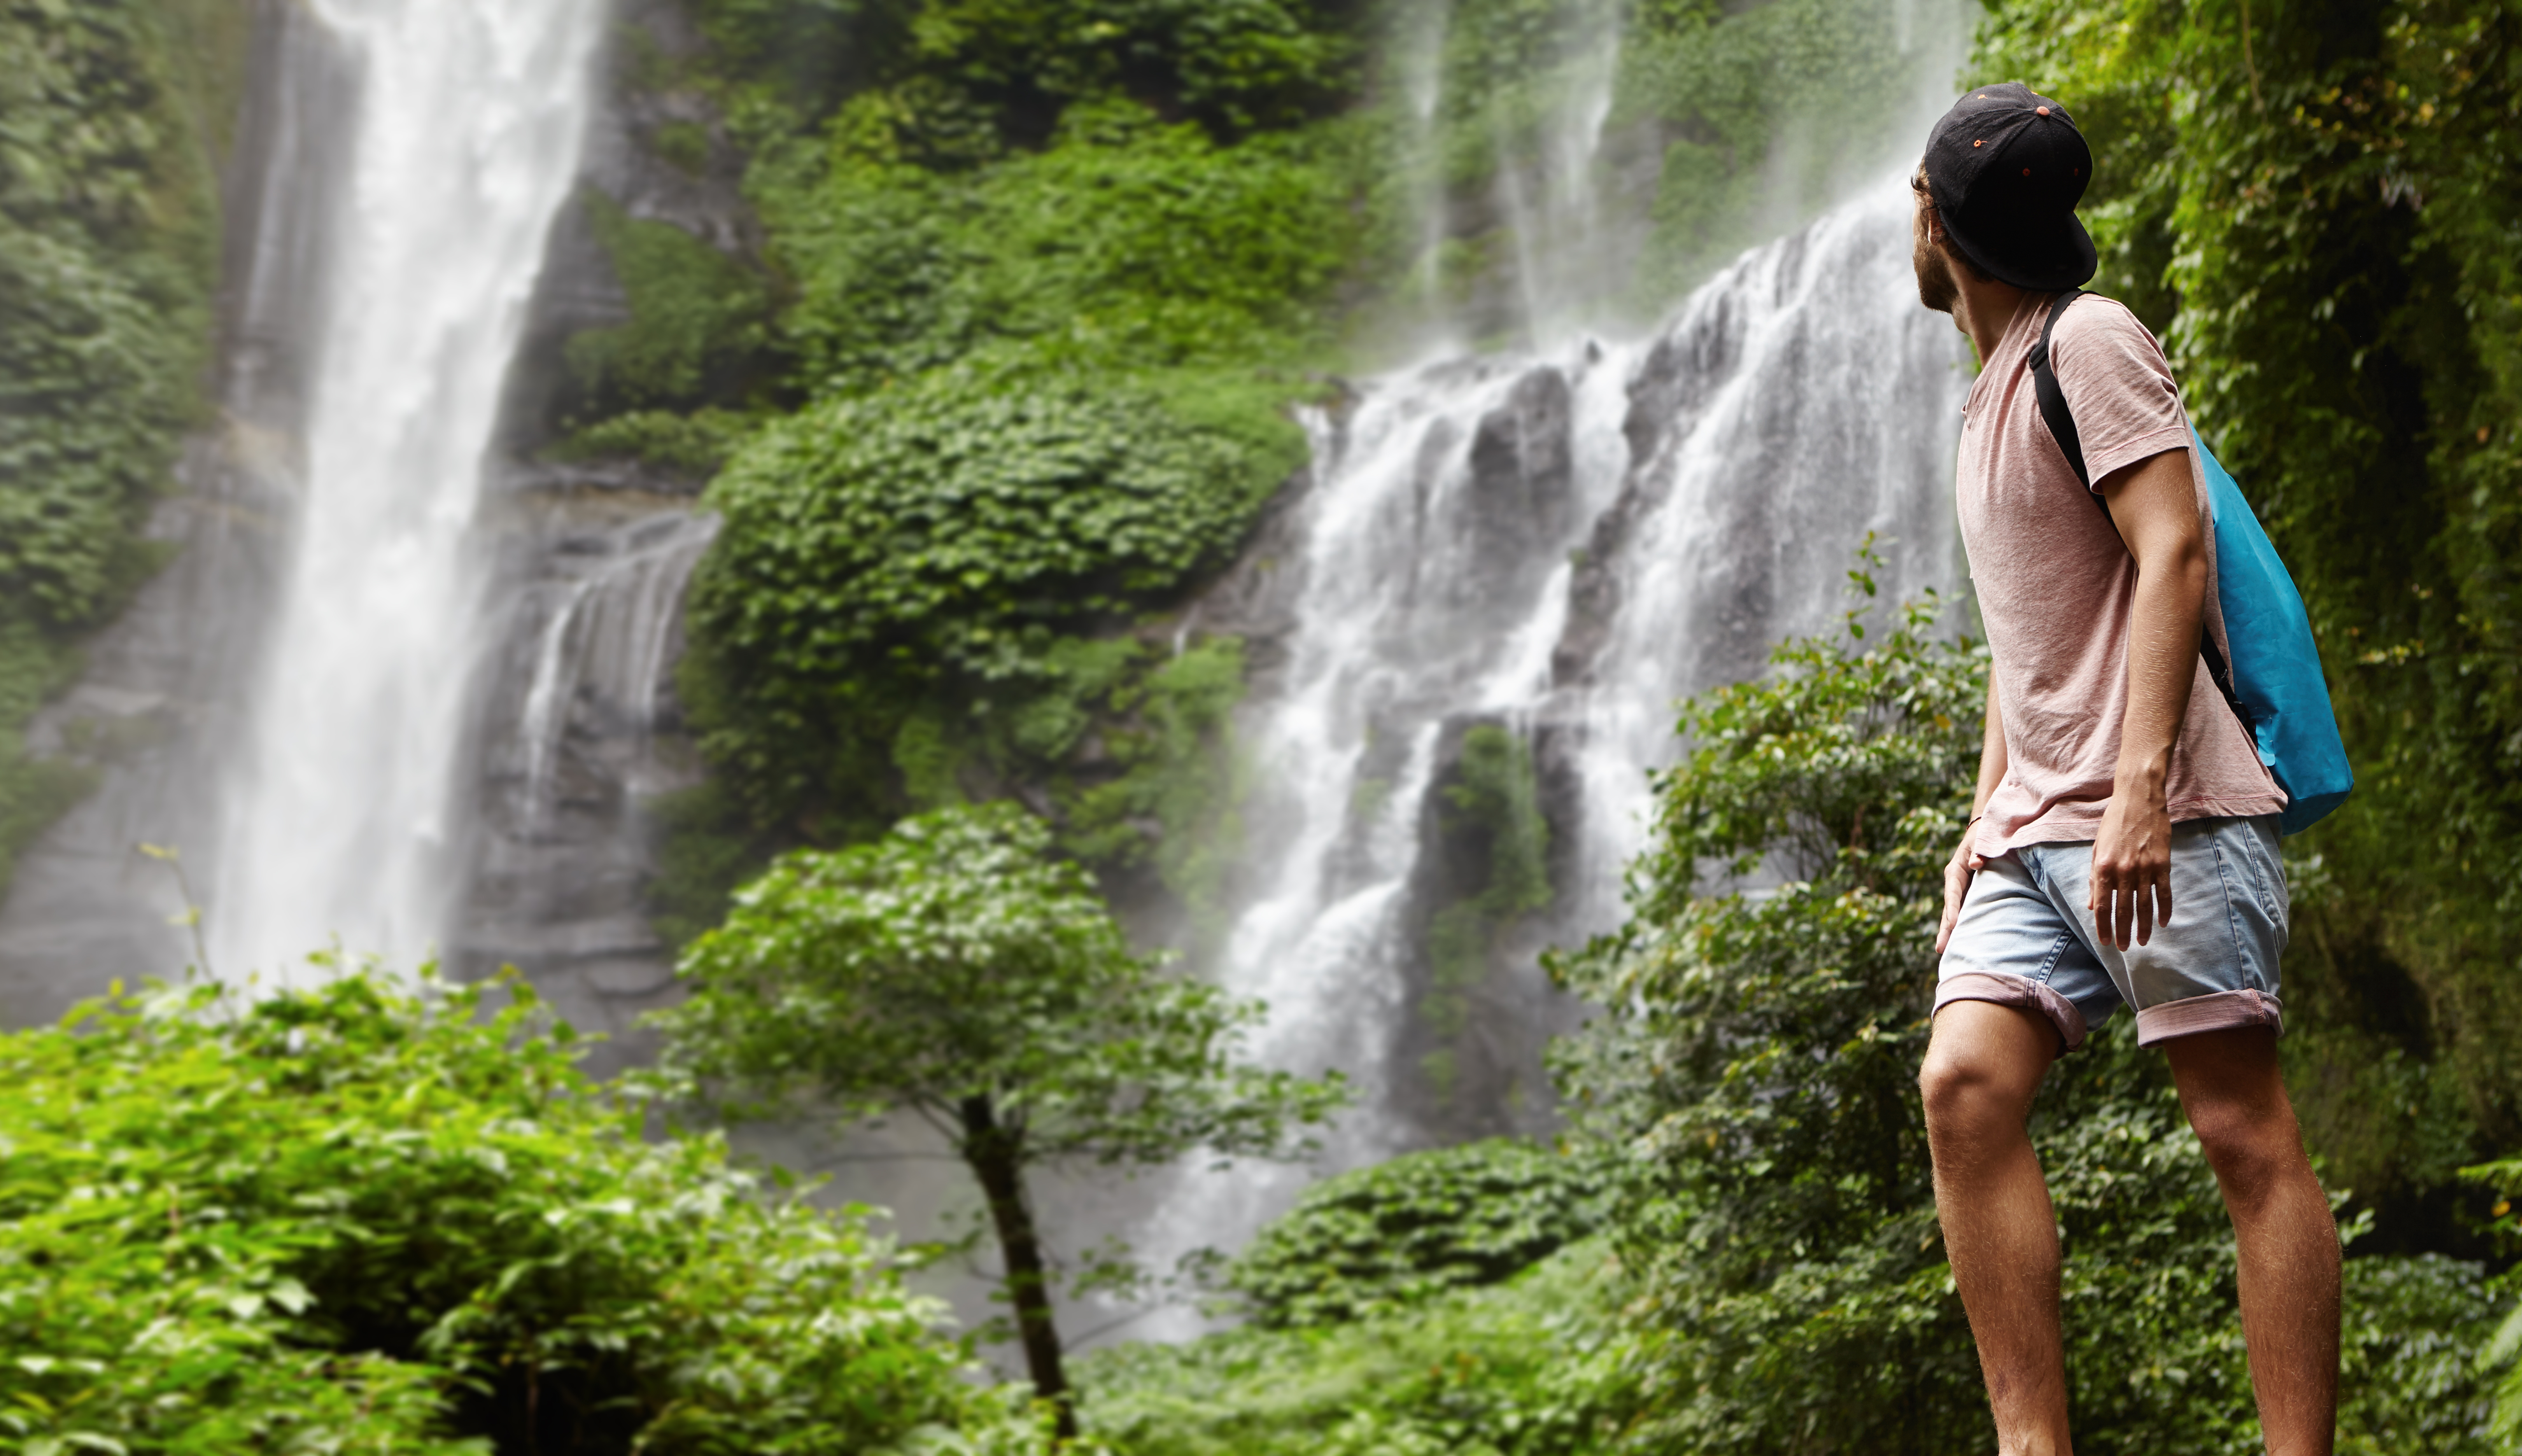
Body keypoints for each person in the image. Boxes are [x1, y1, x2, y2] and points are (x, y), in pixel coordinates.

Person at [1911, 83, 2342, 1454]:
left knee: (2240, 1132)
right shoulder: (1989, 392)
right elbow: (2023, 637)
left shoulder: (2087, 343)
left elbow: (2173, 549)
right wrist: (1980, 817)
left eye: (1911, 202)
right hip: (2031, 831)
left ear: (1937, 217)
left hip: (2163, 815)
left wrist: (2143, 786)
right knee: (1960, 1087)